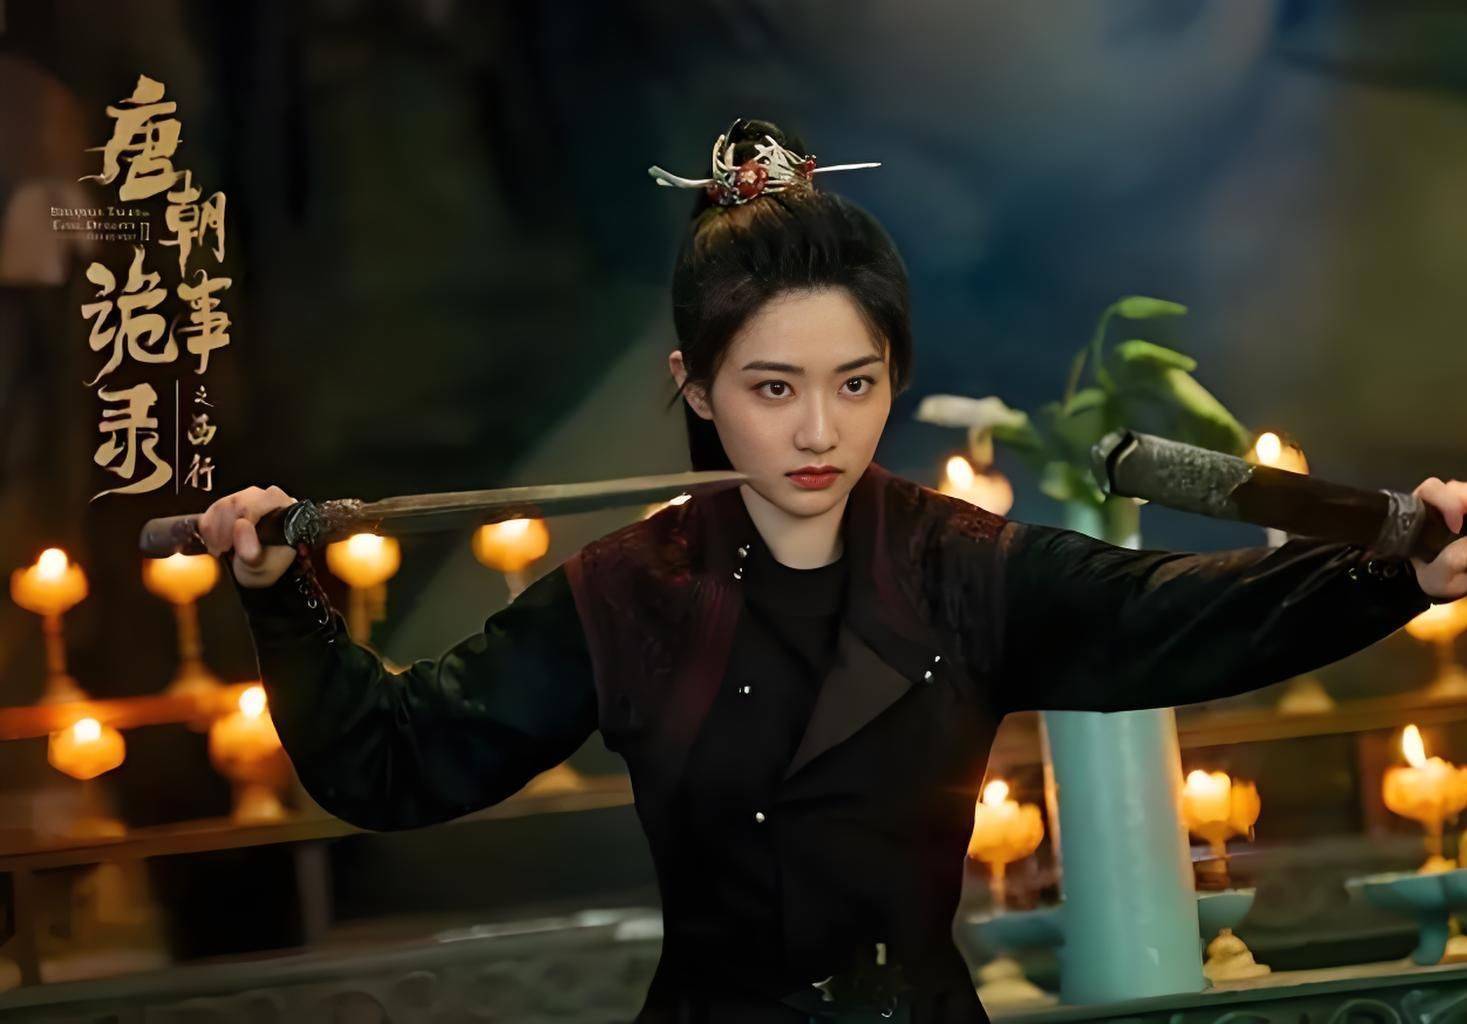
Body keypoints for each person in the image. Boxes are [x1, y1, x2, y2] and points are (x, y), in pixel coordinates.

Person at [198, 119, 1467, 1024]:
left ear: (893, 375)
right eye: (772, 388)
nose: (820, 431)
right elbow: (397, 762)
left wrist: (1403, 571)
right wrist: (277, 595)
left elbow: (1185, 618)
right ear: (695, 387)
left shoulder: (961, 567)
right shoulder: (626, 593)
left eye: (856, 383)